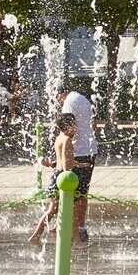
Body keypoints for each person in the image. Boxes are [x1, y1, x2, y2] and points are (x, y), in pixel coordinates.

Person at [28, 113, 93, 245]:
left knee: (52, 210)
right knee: (74, 212)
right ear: (68, 126)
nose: (76, 128)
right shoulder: (67, 140)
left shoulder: (59, 138)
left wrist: (78, 164)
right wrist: (77, 169)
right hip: (65, 179)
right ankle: (77, 241)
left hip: (57, 176)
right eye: (74, 125)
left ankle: (36, 235)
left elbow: (62, 160)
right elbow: (67, 164)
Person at [57, 86, 98, 244]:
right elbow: (93, 125)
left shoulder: (69, 101)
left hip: (78, 151)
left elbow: (65, 126)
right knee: (82, 193)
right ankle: (80, 227)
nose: (58, 101)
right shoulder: (83, 99)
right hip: (90, 149)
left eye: (57, 98)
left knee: (73, 194)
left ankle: (73, 230)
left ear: (62, 94)